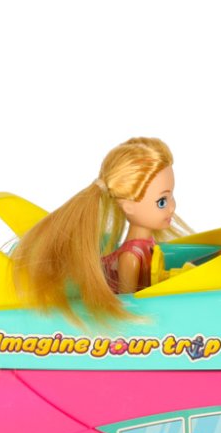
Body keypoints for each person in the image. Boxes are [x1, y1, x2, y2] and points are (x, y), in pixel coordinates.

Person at [12, 137, 189, 321]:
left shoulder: (147, 244)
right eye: (162, 201)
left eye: (171, 196)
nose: (172, 207)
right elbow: (129, 303)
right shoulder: (130, 258)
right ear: (128, 207)